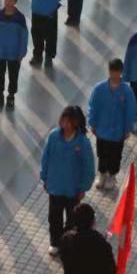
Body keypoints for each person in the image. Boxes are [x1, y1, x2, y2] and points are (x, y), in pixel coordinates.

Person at [40, 105, 96, 255]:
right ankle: (55, 243)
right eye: (63, 120)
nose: (65, 124)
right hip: (55, 187)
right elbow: (45, 158)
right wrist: (44, 177)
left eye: (68, 121)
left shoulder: (83, 142)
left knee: (72, 220)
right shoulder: (53, 137)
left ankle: (68, 243)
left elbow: (89, 166)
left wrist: (84, 187)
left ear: (76, 123)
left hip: (73, 190)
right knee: (54, 218)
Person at [87, 59, 137, 192]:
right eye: (112, 71)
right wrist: (92, 123)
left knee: (116, 155)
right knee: (102, 153)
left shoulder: (126, 91)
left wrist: (127, 129)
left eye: (117, 71)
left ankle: (112, 175)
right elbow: (93, 106)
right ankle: (102, 174)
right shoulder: (99, 88)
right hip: (102, 130)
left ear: (121, 72)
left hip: (117, 132)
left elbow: (130, 111)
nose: (114, 74)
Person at [0, 0, 29, 109]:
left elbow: (24, 36)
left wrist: (22, 53)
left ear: (15, 2)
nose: (7, 1)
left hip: (14, 54)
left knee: (13, 75)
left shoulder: (20, 18)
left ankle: (11, 97)